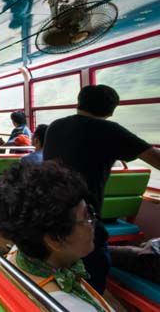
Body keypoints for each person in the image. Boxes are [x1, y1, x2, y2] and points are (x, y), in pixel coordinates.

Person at [44, 84, 160, 294]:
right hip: (83, 217)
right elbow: (155, 158)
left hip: (46, 212)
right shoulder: (110, 131)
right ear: (111, 111)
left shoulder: (55, 126)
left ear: (79, 103)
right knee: (96, 267)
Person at [0, 162, 115, 312]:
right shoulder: (72, 308)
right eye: (87, 216)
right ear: (55, 239)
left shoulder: (18, 253)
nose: (94, 222)